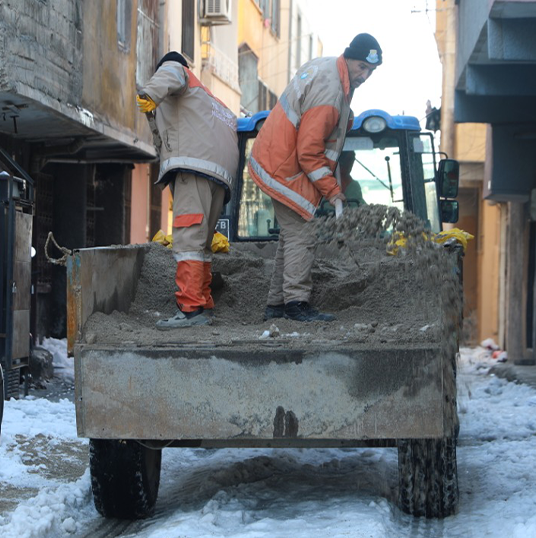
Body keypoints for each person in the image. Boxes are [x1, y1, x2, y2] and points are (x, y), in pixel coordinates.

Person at [248, 33, 382, 322]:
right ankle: (296, 304)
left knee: (291, 235)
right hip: (284, 166)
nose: (365, 76)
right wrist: (333, 191)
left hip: (276, 159)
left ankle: (276, 305)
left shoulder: (330, 72)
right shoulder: (331, 90)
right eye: (362, 67)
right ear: (349, 58)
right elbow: (309, 152)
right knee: (303, 233)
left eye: (370, 71)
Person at [137, 51, 239, 329]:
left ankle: (190, 309)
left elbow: (170, 73)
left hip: (194, 168)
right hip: (220, 176)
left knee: (187, 241)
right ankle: (202, 303)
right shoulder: (209, 100)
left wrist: (150, 92)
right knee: (202, 244)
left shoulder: (176, 71)